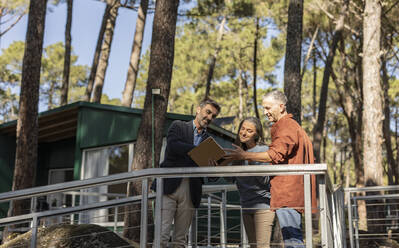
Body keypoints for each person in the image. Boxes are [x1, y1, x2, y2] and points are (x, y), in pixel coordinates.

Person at [224, 90, 316, 248]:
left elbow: (275, 154)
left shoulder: (287, 126)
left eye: (268, 108)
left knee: (293, 241)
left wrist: (244, 156)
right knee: (291, 239)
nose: (265, 112)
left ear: (281, 107)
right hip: (283, 194)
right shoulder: (287, 127)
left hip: (287, 193)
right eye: (264, 108)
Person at [155, 98, 220, 248]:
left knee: (180, 240)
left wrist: (213, 167)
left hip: (191, 189)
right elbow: (173, 146)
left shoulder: (209, 141)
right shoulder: (178, 126)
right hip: (168, 186)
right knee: (162, 236)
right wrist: (198, 151)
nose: (209, 117)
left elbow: (213, 176)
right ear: (198, 109)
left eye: (213, 116)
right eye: (208, 112)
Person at [232, 117, 275, 248]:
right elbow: (232, 178)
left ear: (256, 134)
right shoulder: (237, 151)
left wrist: (248, 157)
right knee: (253, 246)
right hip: (245, 206)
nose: (244, 133)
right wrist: (219, 164)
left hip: (263, 207)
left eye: (249, 131)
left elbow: (265, 180)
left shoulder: (262, 150)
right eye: (242, 129)